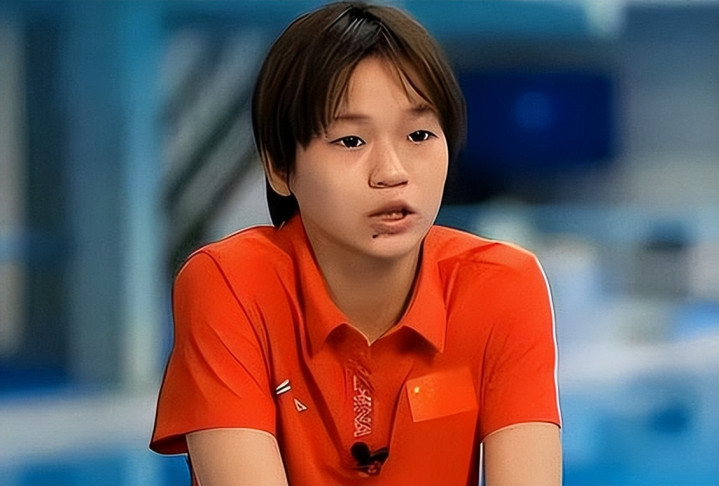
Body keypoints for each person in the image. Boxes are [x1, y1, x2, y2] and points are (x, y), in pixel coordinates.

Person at [150, 2, 562, 485]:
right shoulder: (231, 284)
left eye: (419, 135)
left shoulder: (502, 287)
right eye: (351, 141)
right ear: (280, 167)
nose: (392, 172)